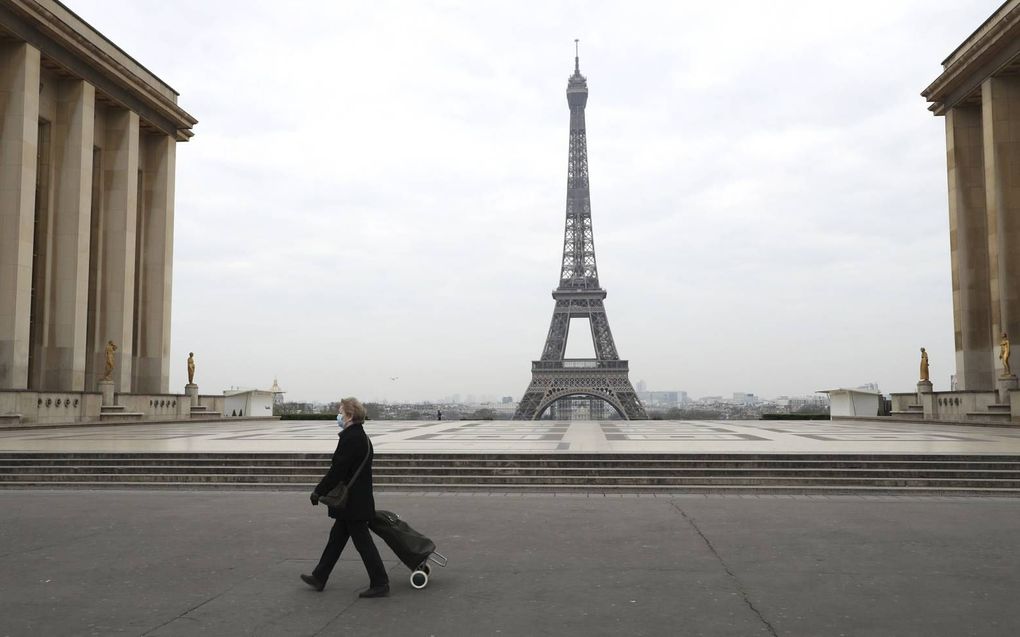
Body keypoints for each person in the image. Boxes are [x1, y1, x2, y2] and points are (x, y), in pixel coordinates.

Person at [302, 397, 389, 597]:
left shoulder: (350, 438)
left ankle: (380, 583)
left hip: (353, 503)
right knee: (336, 540)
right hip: (356, 500)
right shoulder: (362, 436)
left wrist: (319, 491)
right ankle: (319, 576)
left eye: (341, 412)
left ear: (349, 415)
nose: (339, 416)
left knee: (363, 544)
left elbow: (337, 471)